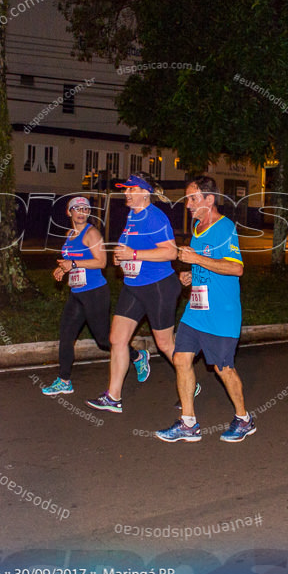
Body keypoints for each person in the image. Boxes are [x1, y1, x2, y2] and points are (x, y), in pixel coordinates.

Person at [154, 176, 254, 443]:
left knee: (223, 369)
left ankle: (243, 419)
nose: (188, 204)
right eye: (187, 198)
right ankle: (188, 423)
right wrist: (191, 274)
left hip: (222, 314)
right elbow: (208, 264)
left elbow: (236, 268)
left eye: (193, 198)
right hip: (196, 310)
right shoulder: (198, 227)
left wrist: (196, 258)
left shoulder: (224, 227)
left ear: (210, 199)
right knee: (181, 359)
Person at [87, 172, 180, 413]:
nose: (126, 193)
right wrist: (121, 256)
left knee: (164, 344)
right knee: (117, 339)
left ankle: (189, 379)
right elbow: (129, 246)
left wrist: (134, 255)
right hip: (133, 286)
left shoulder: (155, 218)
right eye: (125, 189)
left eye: (131, 189)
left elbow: (171, 253)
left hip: (159, 286)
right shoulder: (132, 215)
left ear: (145, 192)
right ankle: (113, 397)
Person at [45, 196, 149, 396]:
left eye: (85, 209)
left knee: (103, 339)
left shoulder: (92, 233)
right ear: (69, 212)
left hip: (95, 293)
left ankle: (137, 356)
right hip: (77, 293)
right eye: (77, 209)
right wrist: (62, 270)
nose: (82, 212)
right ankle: (64, 380)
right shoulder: (69, 234)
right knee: (66, 336)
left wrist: (73, 264)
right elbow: (71, 261)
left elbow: (101, 262)